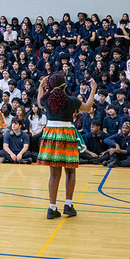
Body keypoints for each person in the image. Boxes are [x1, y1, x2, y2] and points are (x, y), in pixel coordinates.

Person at [36, 72, 97, 219]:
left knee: (54, 173)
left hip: (51, 134)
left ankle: (52, 208)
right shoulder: (72, 100)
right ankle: (68, 205)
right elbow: (88, 107)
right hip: (67, 133)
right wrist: (93, 89)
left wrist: (40, 87)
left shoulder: (47, 100)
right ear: (65, 84)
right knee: (70, 171)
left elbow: (38, 102)